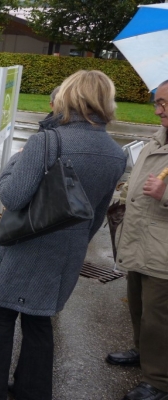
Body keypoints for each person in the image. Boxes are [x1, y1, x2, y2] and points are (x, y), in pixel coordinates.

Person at [0, 70, 127, 399]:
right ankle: (32, 391)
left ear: (69, 95)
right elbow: (95, 213)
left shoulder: (48, 141)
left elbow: (11, 196)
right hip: (66, 253)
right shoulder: (115, 153)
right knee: (39, 323)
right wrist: (76, 241)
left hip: (25, 246)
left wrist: (16, 160)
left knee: (2, 314)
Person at [106, 79, 168, 400]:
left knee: (160, 319)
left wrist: (166, 194)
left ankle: (159, 381)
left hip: (163, 252)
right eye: (157, 103)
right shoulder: (158, 140)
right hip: (141, 241)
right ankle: (143, 354)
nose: (158, 110)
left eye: (165, 104)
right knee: (140, 307)